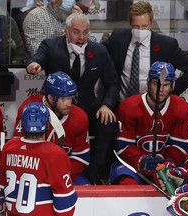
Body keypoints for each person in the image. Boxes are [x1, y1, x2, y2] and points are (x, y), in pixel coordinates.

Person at [27, 12, 119, 184]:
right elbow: (38, 57)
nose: (82, 38)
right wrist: (34, 64)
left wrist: (106, 104)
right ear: (66, 32)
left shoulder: (99, 51)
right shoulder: (51, 45)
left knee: (107, 120)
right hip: (55, 106)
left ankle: (97, 169)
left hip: (86, 105)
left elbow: (113, 83)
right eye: (76, 32)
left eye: (85, 32)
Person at [102, 0, 188, 102]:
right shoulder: (118, 38)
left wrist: (169, 92)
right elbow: (99, 51)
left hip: (152, 107)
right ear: (130, 23)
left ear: (151, 23)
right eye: (136, 26)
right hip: (121, 105)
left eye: (144, 26)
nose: (140, 30)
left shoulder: (166, 45)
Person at [110, 61, 188, 185]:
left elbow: (179, 145)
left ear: (172, 86)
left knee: (183, 183)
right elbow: (123, 146)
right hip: (133, 164)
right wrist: (141, 161)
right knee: (128, 184)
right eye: (156, 84)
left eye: (166, 85)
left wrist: (169, 162)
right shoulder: (129, 106)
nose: (160, 89)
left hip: (165, 163)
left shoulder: (181, 107)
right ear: (148, 83)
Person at [0, 102, 78, 215]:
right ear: (47, 124)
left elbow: (1, 186)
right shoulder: (54, 154)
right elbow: (65, 201)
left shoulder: (9, 147)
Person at [13, 71, 91, 185]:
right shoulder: (30, 110)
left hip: (63, 172)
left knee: (86, 188)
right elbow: (19, 149)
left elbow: (81, 157)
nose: (69, 104)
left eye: (71, 98)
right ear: (51, 98)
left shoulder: (80, 117)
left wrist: (59, 175)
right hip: (32, 171)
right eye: (64, 99)